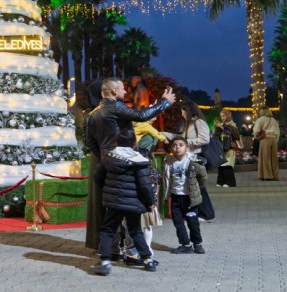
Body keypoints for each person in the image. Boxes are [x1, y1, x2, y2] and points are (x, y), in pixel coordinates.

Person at [84, 77, 175, 251]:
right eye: (122, 89)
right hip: (123, 161)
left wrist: (104, 157)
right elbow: (141, 116)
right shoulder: (115, 106)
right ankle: (136, 250)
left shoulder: (92, 114)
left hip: (104, 163)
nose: (126, 92)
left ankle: (109, 252)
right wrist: (164, 103)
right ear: (112, 91)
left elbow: (89, 142)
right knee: (128, 205)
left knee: (110, 208)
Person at [90, 127, 157, 275]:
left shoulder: (109, 158)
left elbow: (97, 177)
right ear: (134, 143)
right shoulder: (139, 160)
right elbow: (145, 185)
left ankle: (106, 262)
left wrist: (108, 188)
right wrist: (150, 202)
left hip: (114, 202)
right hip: (134, 203)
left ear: (116, 142)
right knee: (136, 231)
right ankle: (148, 260)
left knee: (107, 230)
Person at [163, 101, 214, 220]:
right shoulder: (188, 123)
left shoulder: (198, 122)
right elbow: (180, 138)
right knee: (193, 186)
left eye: (183, 111)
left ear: (188, 111)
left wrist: (186, 143)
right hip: (190, 157)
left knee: (197, 186)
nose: (182, 114)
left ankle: (207, 214)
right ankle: (201, 213)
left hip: (196, 157)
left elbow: (204, 139)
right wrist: (163, 134)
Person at [162, 136, 207, 255]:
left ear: (187, 148)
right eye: (175, 145)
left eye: (180, 145)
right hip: (176, 197)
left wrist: (196, 188)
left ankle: (197, 243)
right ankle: (185, 244)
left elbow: (202, 176)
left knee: (192, 222)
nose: (177, 147)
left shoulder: (193, 161)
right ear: (171, 148)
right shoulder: (168, 161)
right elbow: (167, 179)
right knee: (178, 222)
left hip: (189, 198)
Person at [252, 107, 280, 181]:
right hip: (273, 139)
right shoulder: (274, 120)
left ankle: (267, 175)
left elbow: (256, 131)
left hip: (265, 139)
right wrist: (276, 140)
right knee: (274, 158)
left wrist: (256, 136)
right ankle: (275, 175)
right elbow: (278, 131)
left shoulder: (260, 120)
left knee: (265, 158)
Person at [215, 108, 241, 187]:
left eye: (224, 116)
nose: (222, 118)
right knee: (221, 164)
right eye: (221, 116)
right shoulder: (222, 124)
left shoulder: (232, 124)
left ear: (228, 116)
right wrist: (217, 127)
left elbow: (235, 135)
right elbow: (216, 134)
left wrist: (222, 127)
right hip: (222, 146)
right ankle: (221, 182)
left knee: (228, 164)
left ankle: (230, 182)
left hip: (230, 146)